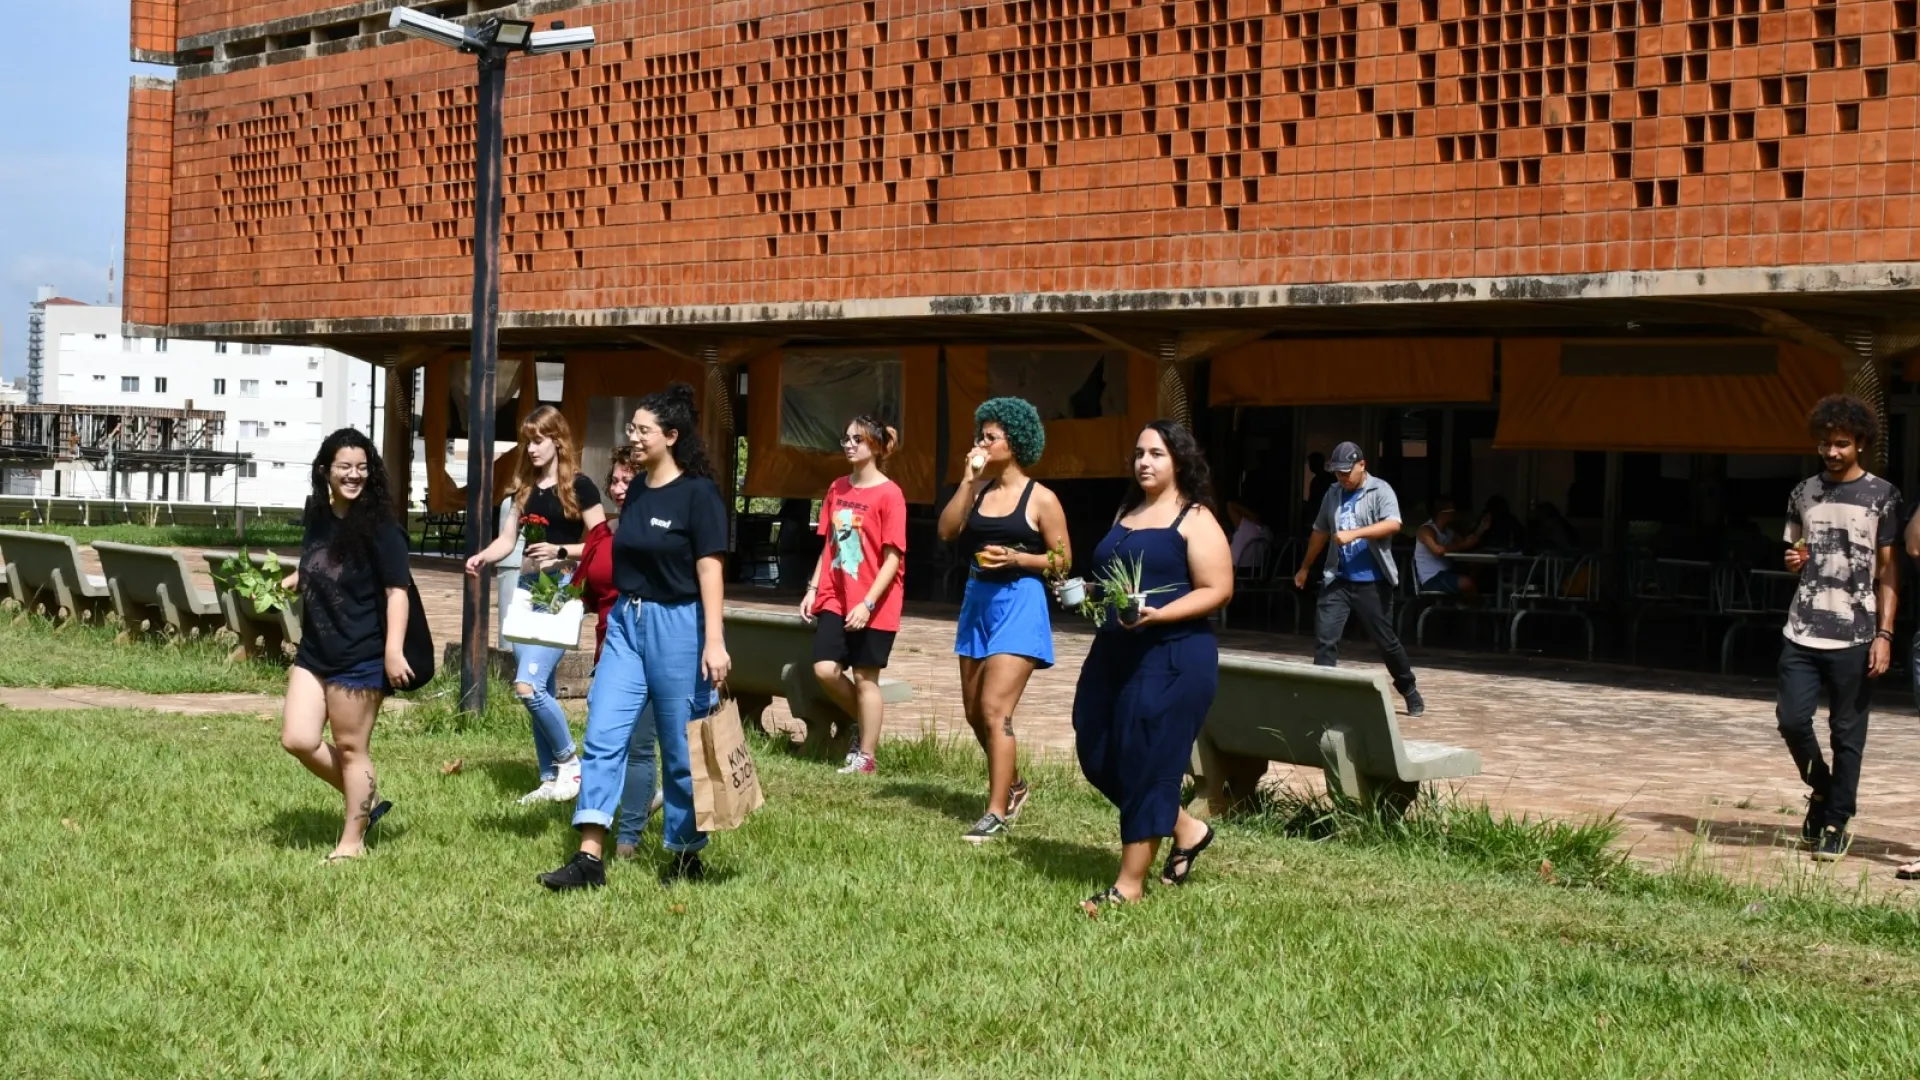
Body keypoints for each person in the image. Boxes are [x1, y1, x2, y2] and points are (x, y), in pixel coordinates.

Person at [540, 383, 733, 890]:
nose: (634, 437)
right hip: (628, 622)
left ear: (672, 436)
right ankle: (589, 857)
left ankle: (686, 855)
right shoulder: (640, 490)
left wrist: (714, 640)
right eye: (632, 428)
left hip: (680, 626)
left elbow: (710, 569)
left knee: (679, 747)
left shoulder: (699, 495)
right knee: (603, 734)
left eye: (644, 430)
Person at [1072, 422, 1232, 914]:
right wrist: (1086, 594)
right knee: (1096, 748)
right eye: (1139, 453)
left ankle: (1129, 886)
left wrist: (1160, 614)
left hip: (1174, 655)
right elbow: (1114, 581)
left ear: (1178, 460)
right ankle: (1187, 828)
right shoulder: (1128, 512)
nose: (1144, 461)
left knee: (1147, 761)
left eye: (1156, 454)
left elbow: (1218, 589)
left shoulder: (1195, 517)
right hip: (1115, 651)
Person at [936, 396, 1070, 843]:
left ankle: (995, 812)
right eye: (981, 436)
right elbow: (947, 531)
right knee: (975, 713)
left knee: (996, 709)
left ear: (1015, 442)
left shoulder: (1041, 498)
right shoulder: (978, 492)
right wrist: (966, 479)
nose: (981, 443)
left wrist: (1018, 558)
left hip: (1020, 602)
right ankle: (1014, 785)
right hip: (978, 601)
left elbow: (1063, 559)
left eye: (990, 437)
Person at [278, 429, 413, 863]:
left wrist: (393, 651)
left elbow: (397, 592)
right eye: (344, 467)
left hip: (361, 654)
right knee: (297, 739)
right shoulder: (317, 513)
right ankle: (364, 796)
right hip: (316, 649)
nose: (354, 475)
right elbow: (320, 559)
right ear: (325, 470)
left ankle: (352, 843)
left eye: (361, 468)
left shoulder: (382, 527)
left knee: (353, 749)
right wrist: (298, 578)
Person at [464, 406, 607, 805]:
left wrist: (561, 550)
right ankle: (549, 778)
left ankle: (571, 763)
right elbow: (508, 540)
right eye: (527, 441)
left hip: (560, 591)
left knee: (527, 687)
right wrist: (483, 556)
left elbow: (600, 542)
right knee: (540, 688)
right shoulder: (524, 489)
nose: (531, 449)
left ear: (557, 441)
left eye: (538, 440)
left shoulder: (580, 486)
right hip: (528, 591)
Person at [1778, 394, 1899, 863]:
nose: (1831, 452)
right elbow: (1795, 552)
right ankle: (1823, 788)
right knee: (1792, 720)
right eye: (1825, 443)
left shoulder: (1882, 495)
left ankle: (1835, 822)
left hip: (1856, 634)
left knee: (1847, 735)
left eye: (1842, 443)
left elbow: (1888, 571)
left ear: (1860, 444)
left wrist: (1884, 635)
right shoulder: (1802, 493)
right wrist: (1793, 561)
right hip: (1802, 629)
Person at [802, 415, 908, 776]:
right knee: (825, 669)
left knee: (865, 678)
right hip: (836, 594)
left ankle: (866, 756)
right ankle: (865, 725)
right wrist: (813, 588)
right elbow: (829, 545)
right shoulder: (837, 488)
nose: (849, 445)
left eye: (857, 439)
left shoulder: (890, 494)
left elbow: (893, 559)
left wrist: (868, 604)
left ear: (875, 446)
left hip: (875, 601)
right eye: (845, 438)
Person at [1292, 441, 1425, 716]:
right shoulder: (1332, 494)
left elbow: (1393, 523)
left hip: (1372, 581)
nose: (1342, 478)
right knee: (1326, 640)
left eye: (1346, 472)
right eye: (1338, 473)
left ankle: (1409, 689)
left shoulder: (1380, 490)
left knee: (1385, 641)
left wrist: (1356, 533)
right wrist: (1305, 567)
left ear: (1362, 465)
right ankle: (1322, 700)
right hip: (1337, 579)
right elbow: (1320, 531)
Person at [577, 444, 663, 860]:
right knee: (604, 740)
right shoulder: (604, 534)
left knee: (639, 745)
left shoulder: (659, 534)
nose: (619, 487)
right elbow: (588, 589)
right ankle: (607, 820)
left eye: (629, 479)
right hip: (607, 649)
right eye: (615, 480)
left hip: (649, 650)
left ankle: (628, 837)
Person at [1414, 494, 1481, 601]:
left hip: (1448, 571)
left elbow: (1466, 542)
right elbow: (1438, 550)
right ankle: (1475, 605)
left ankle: (1464, 603)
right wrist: (1463, 545)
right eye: (1452, 510)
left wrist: (1481, 529)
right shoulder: (1426, 530)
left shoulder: (1448, 532)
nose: (1454, 513)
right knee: (1466, 583)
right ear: (1442, 513)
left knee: (1477, 567)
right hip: (1433, 577)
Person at [495, 494, 524, 649]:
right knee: (510, 623)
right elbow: (506, 539)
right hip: (512, 562)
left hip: (526, 562)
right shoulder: (512, 502)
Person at [1225, 500, 1273, 572]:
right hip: (1257, 570)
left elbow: (1229, 504)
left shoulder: (1245, 525)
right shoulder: (1268, 532)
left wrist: (1250, 514)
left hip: (1237, 569)